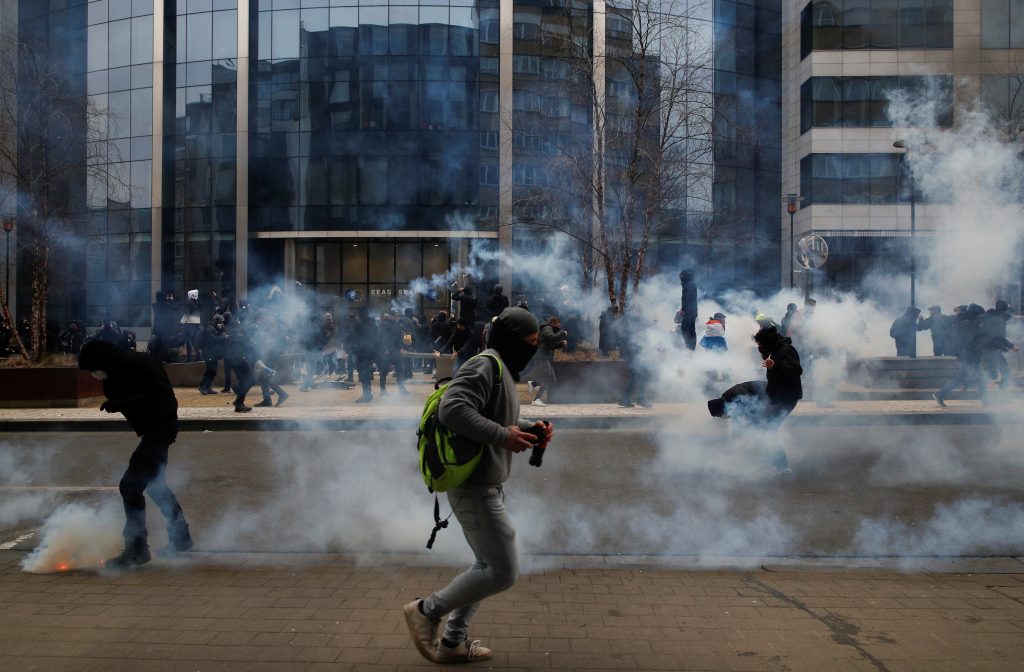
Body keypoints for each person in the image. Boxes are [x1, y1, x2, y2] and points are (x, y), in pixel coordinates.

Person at [403, 307, 553, 664]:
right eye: (530, 343)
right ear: (512, 340)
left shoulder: (500, 369)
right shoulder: (486, 365)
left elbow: (495, 415)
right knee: (501, 571)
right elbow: (452, 410)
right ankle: (426, 611)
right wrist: (503, 435)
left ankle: (452, 643)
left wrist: (529, 427)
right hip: (474, 486)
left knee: (487, 566)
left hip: (485, 484)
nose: (533, 350)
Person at [78, 340, 193, 570]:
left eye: (93, 369)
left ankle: (137, 548)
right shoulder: (116, 371)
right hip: (153, 431)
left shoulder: (141, 364)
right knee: (155, 485)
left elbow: (158, 395)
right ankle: (181, 537)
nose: (93, 375)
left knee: (130, 486)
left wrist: (122, 403)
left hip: (160, 429)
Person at [707, 325, 803, 473]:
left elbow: (796, 371)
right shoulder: (775, 349)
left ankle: (782, 467)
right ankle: (772, 462)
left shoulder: (785, 350)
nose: (759, 348)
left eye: (760, 344)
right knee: (762, 428)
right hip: (775, 394)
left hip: (786, 397)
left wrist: (776, 365)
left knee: (767, 430)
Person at [934, 303, 989, 407]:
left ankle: (940, 395)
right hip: (968, 358)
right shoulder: (967, 326)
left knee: (974, 378)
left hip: (971, 357)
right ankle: (940, 394)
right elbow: (965, 343)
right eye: (981, 316)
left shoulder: (972, 325)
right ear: (975, 316)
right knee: (972, 378)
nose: (982, 318)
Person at [526, 315, 568, 406]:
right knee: (548, 379)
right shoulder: (547, 328)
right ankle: (536, 399)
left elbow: (550, 344)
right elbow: (551, 337)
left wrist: (561, 344)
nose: (559, 326)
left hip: (545, 357)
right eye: (558, 324)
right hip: (542, 357)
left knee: (552, 379)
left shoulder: (548, 328)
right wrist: (562, 333)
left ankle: (533, 384)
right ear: (553, 323)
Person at [980, 300, 1018, 390]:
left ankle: (988, 396)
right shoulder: (999, 320)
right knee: (1007, 373)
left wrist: (1003, 347)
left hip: (985, 348)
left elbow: (993, 337)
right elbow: (999, 337)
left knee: (992, 375)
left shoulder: (989, 316)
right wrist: (1011, 346)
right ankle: (1001, 395)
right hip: (992, 350)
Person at [198, 314, 227, 395]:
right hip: (208, 353)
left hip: (214, 353)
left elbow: (218, 336)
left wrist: (221, 330)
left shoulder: (215, 328)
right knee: (209, 370)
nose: (221, 323)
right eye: (220, 322)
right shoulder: (209, 328)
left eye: (222, 322)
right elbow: (212, 340)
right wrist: (224, 337)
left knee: (213, 371)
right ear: (215, 321)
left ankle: (208, 387)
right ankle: (202, 386)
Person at [678, 269, 698, 350]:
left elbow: (689, 299)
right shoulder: (690, 284)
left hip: (689, 310)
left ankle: (689, 347)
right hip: (692, 310)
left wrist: (683, 309)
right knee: (691, 329)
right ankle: (691, 348)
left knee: (684, 328)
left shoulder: (690, 285)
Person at [181, 289, 203, 362]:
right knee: (194, 341)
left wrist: (181, 323)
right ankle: (198, 355)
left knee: (188, 341)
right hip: (197, 323)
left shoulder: (189, 302)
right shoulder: (198, 302)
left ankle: (189, 358)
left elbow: (186, 314)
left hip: (189, 324)